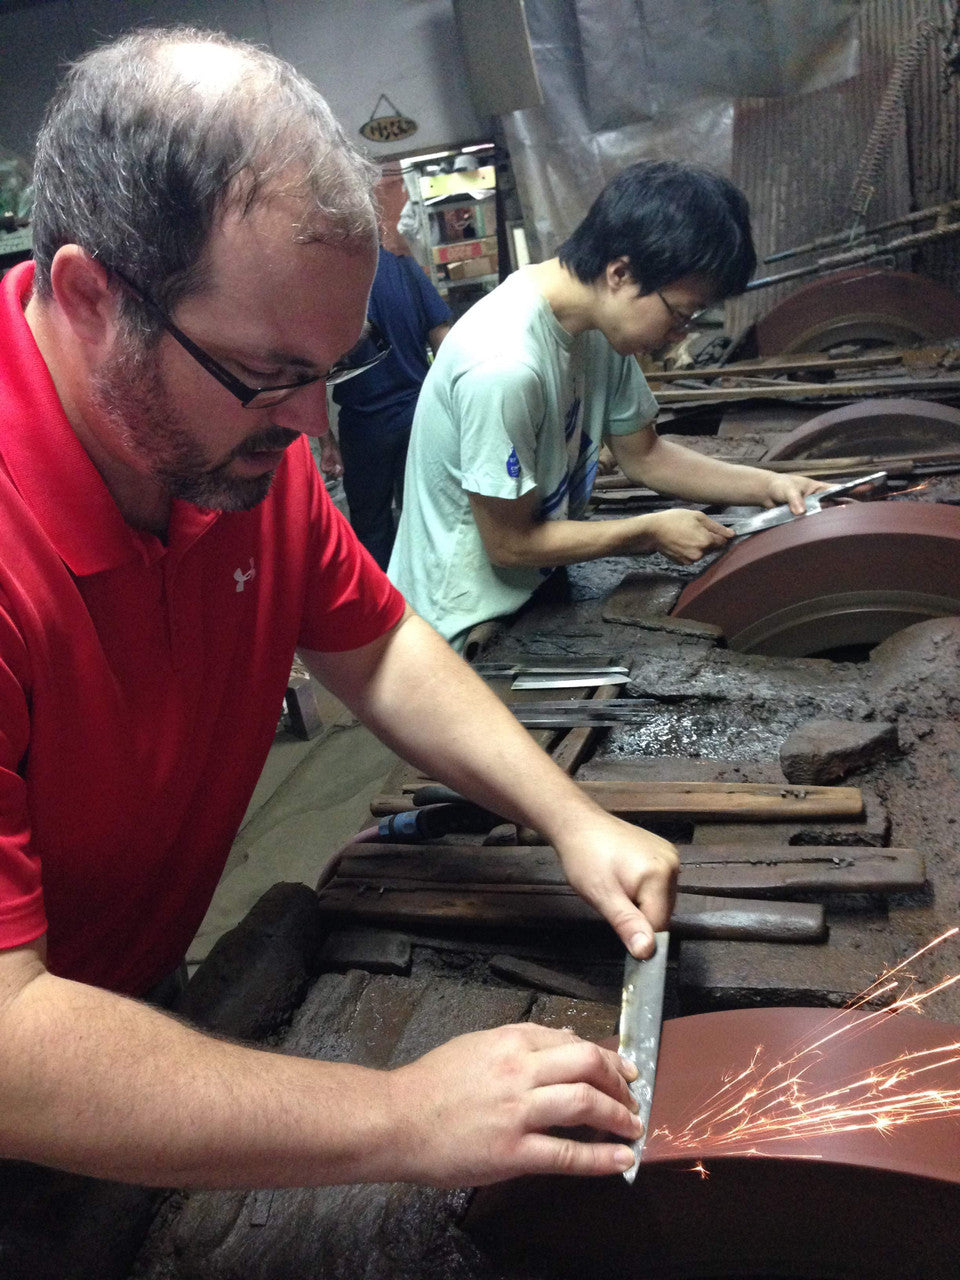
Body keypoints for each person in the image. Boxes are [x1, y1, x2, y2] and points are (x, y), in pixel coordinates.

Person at [0, 27, 678, 1192]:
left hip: (117, 1002)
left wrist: (568, 816)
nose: (313, 424)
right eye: (272, 376)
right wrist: (404, 1113)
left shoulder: (238, 451)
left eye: (333, 369)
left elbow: (378, 645)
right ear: (87, 295)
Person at [388, 161, 828, 649]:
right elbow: (508, 544)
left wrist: (771, 485)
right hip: (458, 625)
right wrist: (647, 532)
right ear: (620, 272)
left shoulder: (595, 327)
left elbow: (646, 456)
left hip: (530, 590)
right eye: (681, 315)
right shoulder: (504, 366)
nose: (680, 333)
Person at [332, 244, 451, 568]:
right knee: (427, 520)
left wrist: (324, 440)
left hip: (363, 430)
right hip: (419, 415)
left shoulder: (326, 277)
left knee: (371, 528)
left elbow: (308, 365)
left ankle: (383, 608)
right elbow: (444, 340)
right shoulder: (403, 267)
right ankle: (433, 610)